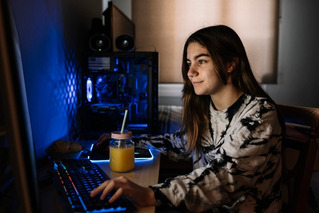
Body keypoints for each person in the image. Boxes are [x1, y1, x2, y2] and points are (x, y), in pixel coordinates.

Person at [90, 25, 284, 212]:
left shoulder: (259, 113)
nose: (190, 72)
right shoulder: (205, 110)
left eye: (202, 61)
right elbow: (180, 144)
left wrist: (151, 194)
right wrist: (128, 143)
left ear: (230, 64)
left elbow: (226, 178)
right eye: (189, 62)